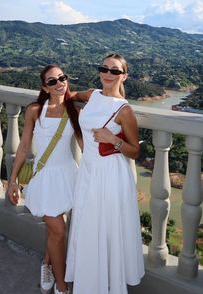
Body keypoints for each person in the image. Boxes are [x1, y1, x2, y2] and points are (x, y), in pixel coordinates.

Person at [65, 53, 145, 294]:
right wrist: (63, 97)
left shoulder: (124, 110)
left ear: (124, 76)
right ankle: (90, 281)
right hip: (88, 169)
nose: (108, 74)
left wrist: (113, 139)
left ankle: (107, 283)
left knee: (106, 227)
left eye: (115, 71)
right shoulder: (92, 95)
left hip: (110, 176)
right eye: (104, 69)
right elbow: (72, 96)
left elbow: (135, 151)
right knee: (87, 226)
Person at [7, 64, 82, 294]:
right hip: (45, 178)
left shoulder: (74, 112)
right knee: (59, 231)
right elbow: (24, 147)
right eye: (52, 81)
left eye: (62, 78)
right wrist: (12, 181)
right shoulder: (35, 111)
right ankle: (61, 285)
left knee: (55, 232)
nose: (59, 83)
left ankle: (47, 264)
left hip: (69, 175)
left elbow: (84, 147)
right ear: (44, 87)